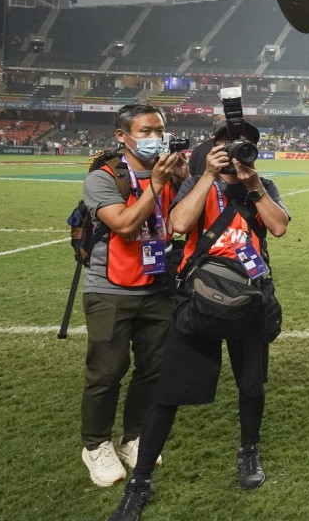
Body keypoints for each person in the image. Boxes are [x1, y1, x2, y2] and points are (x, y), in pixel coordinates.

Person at [107, 118, 290, 521]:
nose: (234, 149)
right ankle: (140, 482)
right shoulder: (197, 181)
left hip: (250, 296)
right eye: (227, 142)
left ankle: (248, 453)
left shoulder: (263, 185)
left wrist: (254, 184)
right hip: (199, 299)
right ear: (213, 147)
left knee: (251, 386)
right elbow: (179, 224)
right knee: (168, 392)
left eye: (243, 143)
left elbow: (277, 227)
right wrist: (208, 175)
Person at [79, 104, 187, 487]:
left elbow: (181, 223)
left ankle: (134, 436)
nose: (155, 137)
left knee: (153, 367)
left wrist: (185, 179)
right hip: (110, 288)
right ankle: (95, 445)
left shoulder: (170, 173)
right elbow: (124, 225)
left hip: (156, 284)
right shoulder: (103, 177)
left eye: (160, 129)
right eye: (146, 131)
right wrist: (156, 185)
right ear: (122, 136)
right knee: (107, 371)